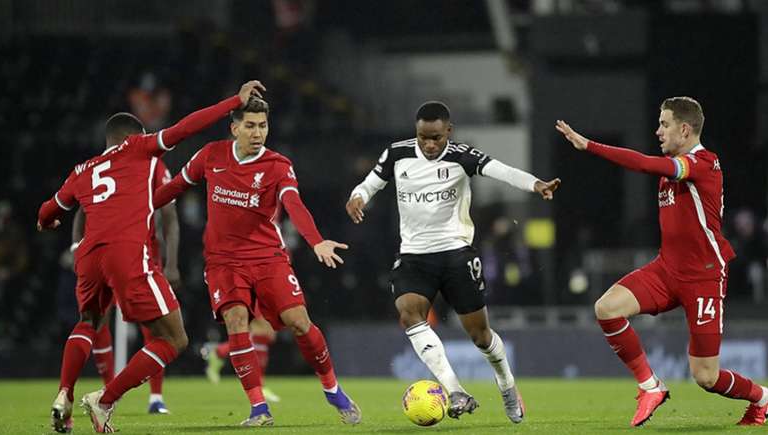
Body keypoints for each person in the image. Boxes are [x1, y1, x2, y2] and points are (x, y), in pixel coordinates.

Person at [39, 80, 264, 433]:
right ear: (134, 136)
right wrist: (233, 102)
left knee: (88, 323)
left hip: (88, 257)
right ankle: (105, 399)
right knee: (175, 339)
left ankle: (64, 394)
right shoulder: (140, 149)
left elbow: (48, 210)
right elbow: (187, 126)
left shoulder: (83, 169)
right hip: (127, 254)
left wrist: (47, 220)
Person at [555, 96, 768, 427]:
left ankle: (763, 399)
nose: (658, 131)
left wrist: (590, 145)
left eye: (664, 124)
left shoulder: (703, 163)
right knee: (607, 308)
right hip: (667, 270)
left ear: (684, 129)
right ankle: (650, 386)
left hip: (704, 277)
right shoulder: (672, 170)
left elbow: (644, 163)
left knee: (705, 376)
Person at [345, 101, 560, 424]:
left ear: (448, 131)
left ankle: (507, 386)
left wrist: (535, 184)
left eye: (436, 137)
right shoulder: (397, 154)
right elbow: (371, 182)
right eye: (423, 137)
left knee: (481, 337)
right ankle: (455, 390)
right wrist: (358, 196)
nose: (429, 145)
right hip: (414, 256)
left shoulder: (462, 156)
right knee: (409, 313)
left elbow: (503, 171)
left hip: (457, 254)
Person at [152, 97, 361, 427]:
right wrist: (139, 208)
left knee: (298, 322)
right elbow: (175, 186)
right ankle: (258, 408)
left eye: (262, 125)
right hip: (223, 262)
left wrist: (315, 240)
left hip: (267, 257)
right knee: (237, 323)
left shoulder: (278, 165)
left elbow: (293, 203)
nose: (257, 132)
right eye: (250, 125)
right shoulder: (211, 155)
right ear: (234, 127)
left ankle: (332, 388)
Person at [71, 154, 181, 414]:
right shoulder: (150, 163)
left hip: (109, 256)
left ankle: (146, 396)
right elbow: (170, 216)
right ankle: (110, 393)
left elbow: (76, 211)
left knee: (95, 321)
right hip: (134, 257)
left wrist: (77, 247)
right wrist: (172, 263)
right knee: (163, 331)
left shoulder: (99, 165)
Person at [202, 309, 282, 403]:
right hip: (257, 298)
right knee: (262, 332)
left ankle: (219, 351)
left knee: (266, 336)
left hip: (267, 298)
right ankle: (259, 386)